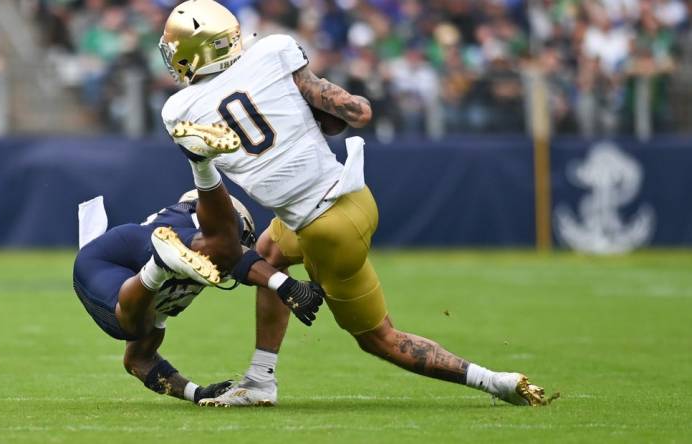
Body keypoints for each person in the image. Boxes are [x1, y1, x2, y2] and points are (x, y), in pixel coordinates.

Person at [158, 0, 546, 407]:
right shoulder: (273, 51)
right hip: (353, 196)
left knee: (380, 338)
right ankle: (259, 381)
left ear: (191, 53)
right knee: (267, 256)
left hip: (324, 230)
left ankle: (495, 381)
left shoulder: (179, 110)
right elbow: (355, 112)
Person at [72, 190, 324, 404]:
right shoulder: (219, 226)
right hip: (112, 258)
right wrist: (287, 285)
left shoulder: (191, 264)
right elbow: (223, 249)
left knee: (141, 328)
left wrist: (198, 393)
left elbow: (138, 360)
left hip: (138, 266)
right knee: (133, 326)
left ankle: (156, 269)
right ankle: (155, 268)